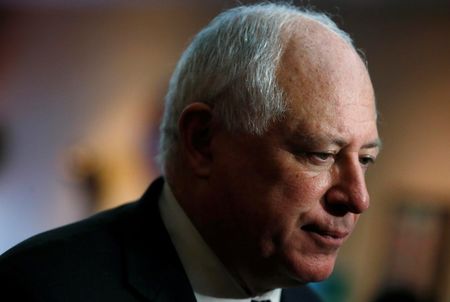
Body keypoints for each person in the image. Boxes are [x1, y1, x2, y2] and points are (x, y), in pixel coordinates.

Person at [0, 3, 381, 302]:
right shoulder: (40, 288)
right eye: (320, 154)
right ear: (202, 141)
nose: (358, 197)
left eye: (365, 159)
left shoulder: (309, 301)